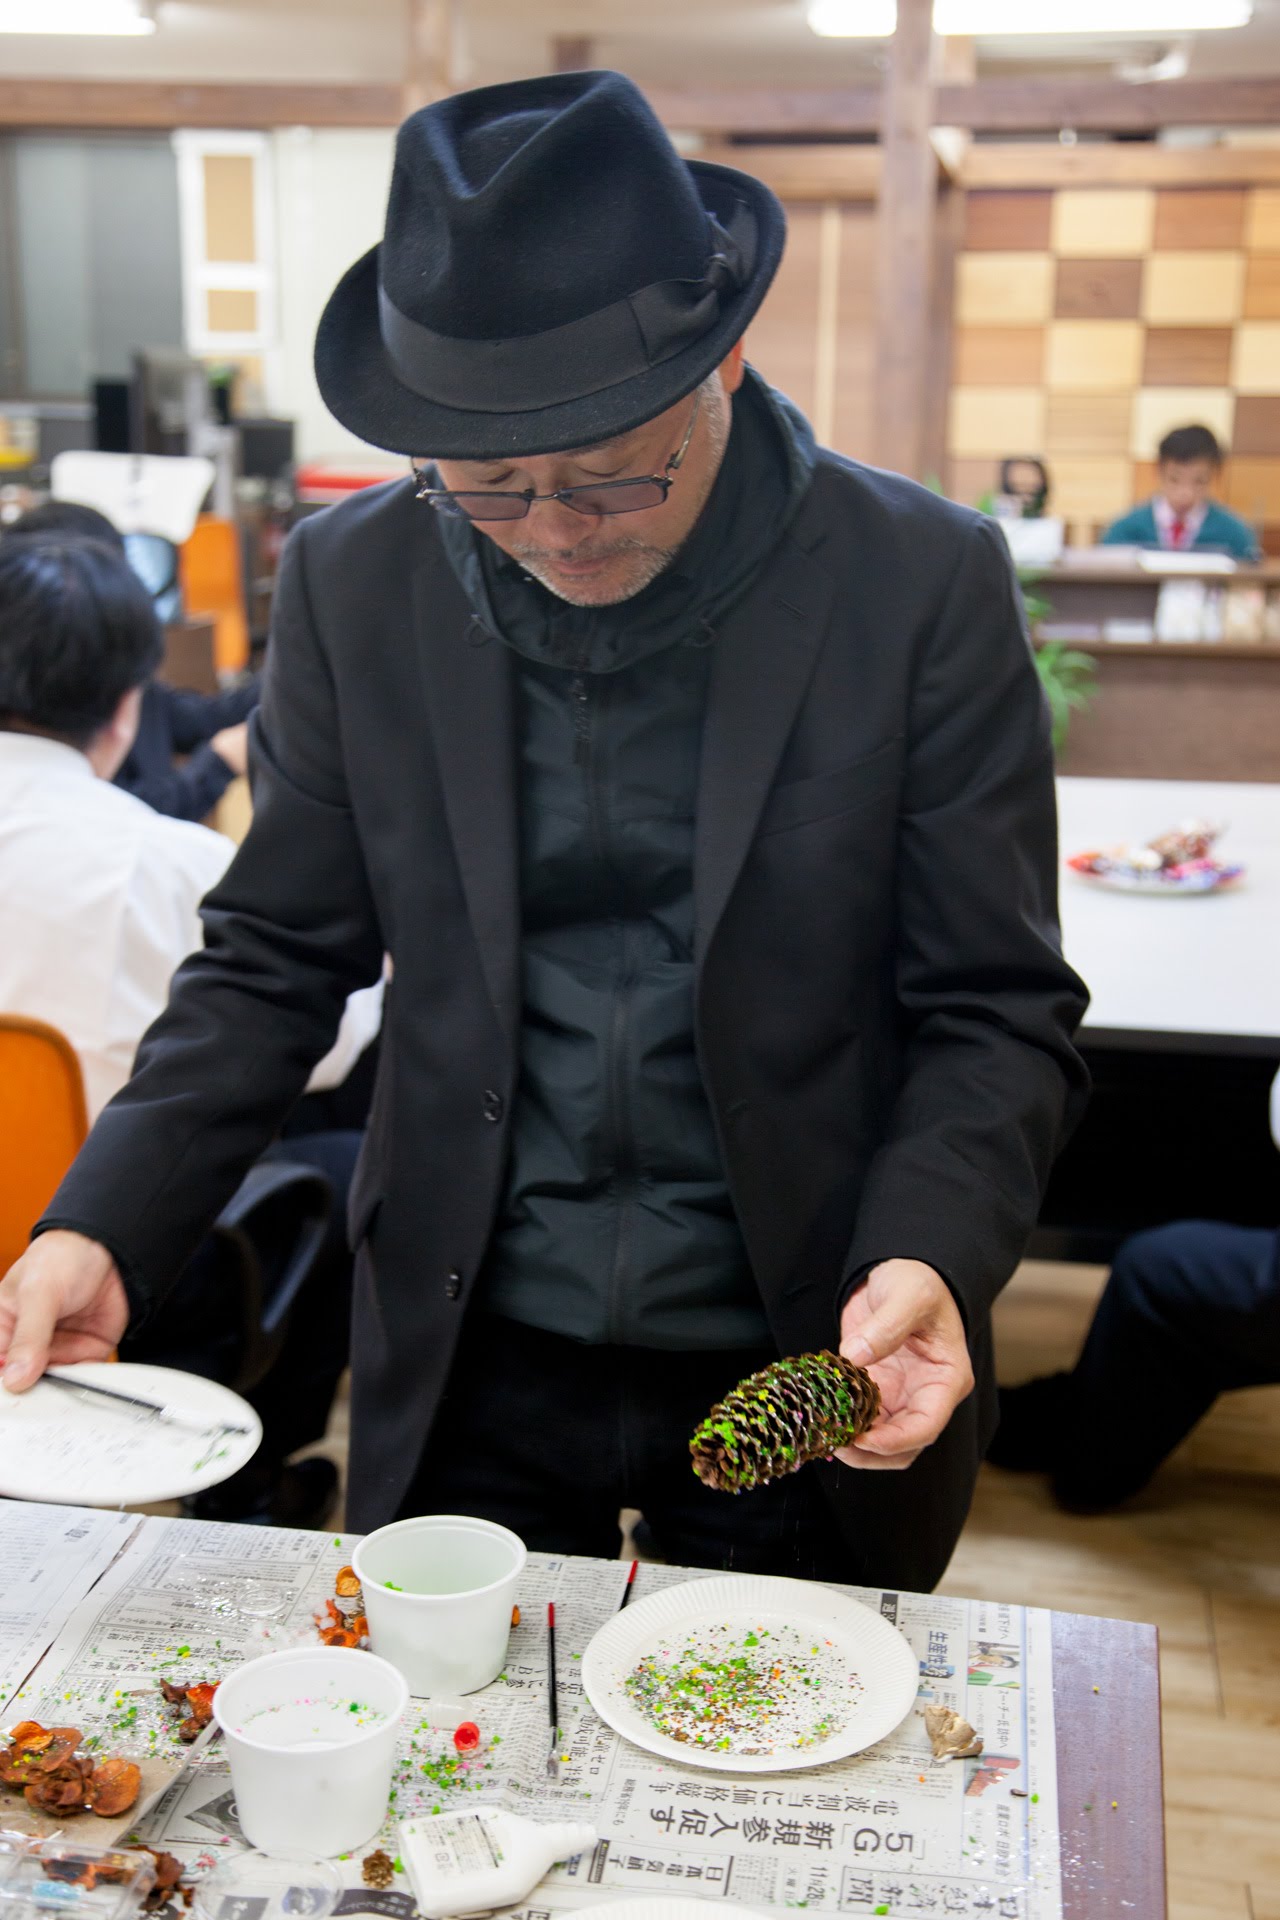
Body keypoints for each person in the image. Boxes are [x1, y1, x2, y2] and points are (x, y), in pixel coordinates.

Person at [0, 72, 1088, 1590]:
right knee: (454, 1729)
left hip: (805, 1329)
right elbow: (273, 958)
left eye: (611, 476)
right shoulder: (359, 582)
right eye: (492, 491)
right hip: (471, 1330)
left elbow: (994, 1005)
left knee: (771, 1729)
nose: (559, 532)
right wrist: (103, 1224)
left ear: (723, 363)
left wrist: (928, 1250)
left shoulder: (914, 583)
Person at [0, 533, 379, 1524]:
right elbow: (329, 1038)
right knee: (354, 1165)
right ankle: (254, 1482)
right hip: (105, 1252)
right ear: (131, 705)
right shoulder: (165, 861)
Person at [5, 499, 259, 823]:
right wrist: (219, 762)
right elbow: (114, 815)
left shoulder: (125, 676)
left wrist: (294, 666)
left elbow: (202, 718)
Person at [1102, 424, 1260, 561]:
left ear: (1216, 475)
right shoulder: (1125, 530)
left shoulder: (1233, 533)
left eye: (1200, 481)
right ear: (1158, 471)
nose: (1186, 493)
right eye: (1174, 480)